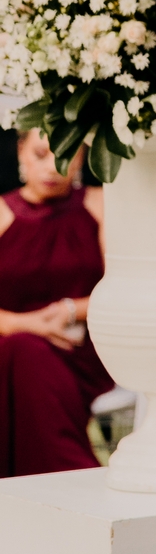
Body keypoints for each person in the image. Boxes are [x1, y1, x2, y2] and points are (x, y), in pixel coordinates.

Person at [0, 127, 112, 476]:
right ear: (20, 152)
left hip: (82, 348)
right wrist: (28, 324)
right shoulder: (1, 213)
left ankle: (68, 478)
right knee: (22, 350)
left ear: (82, 156)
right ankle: (73, 475)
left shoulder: (99, 204)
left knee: (24, 353)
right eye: (40, 153)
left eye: (64, 154)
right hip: (10, 344)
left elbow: (124, 288)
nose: (52, 166)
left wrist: (68, 310)